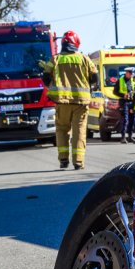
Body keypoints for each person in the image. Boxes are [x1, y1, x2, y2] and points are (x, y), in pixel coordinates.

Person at [41, 30, 96, 170]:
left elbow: (46, 77)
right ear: (76, 43)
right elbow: (94, 78)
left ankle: (63, 160)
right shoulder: (84, 59)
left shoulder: (55, 59)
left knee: (62, 129)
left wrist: (53, 88)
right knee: (79, 131)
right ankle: (78, 162)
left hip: (62, 101)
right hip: (81, 102)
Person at [114, 67, 135, 143]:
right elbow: (115, 92)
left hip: (131, 102)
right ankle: (123, 137)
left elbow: (134, 90)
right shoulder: (120, 80)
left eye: (132, 74)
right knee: (125, 120)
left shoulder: (132, 80)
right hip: (124, 102)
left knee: (132, 120)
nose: (131, 75)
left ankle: (130, 136)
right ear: (126, 73)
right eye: (130, 73)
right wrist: (123, 95)